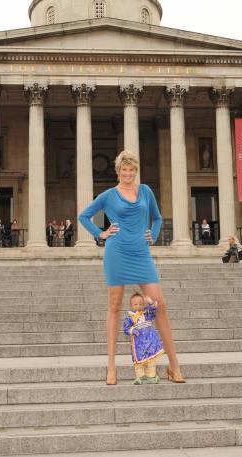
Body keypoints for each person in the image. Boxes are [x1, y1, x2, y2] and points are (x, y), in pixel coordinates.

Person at [78, 150, 185, 385]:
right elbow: (83, 216)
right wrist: (101, 233)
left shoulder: (145, 191)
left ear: (136, 171)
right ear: (118, 171)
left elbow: (157, 218)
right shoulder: (108, 195)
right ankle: (111, 367)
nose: (128, 173)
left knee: (159, 304)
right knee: (115, 305)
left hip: (141, 254)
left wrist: (153, 234)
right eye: (124, 170)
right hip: (116, 252)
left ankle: (174, 365)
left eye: (132, 170)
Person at [123, 293, 164, 385]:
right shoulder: (129, 316)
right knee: (139, 360)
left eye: (141, 304)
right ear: (131, 305)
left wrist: (150, 302)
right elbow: (126, 328)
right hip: (138, 342)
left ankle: (151, 376)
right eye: (135, 304)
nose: (138, 306)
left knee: (151, 360)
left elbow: (153, 310)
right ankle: (140, 376)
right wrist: (133, 330)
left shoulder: (146, 313)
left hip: (150, 340)